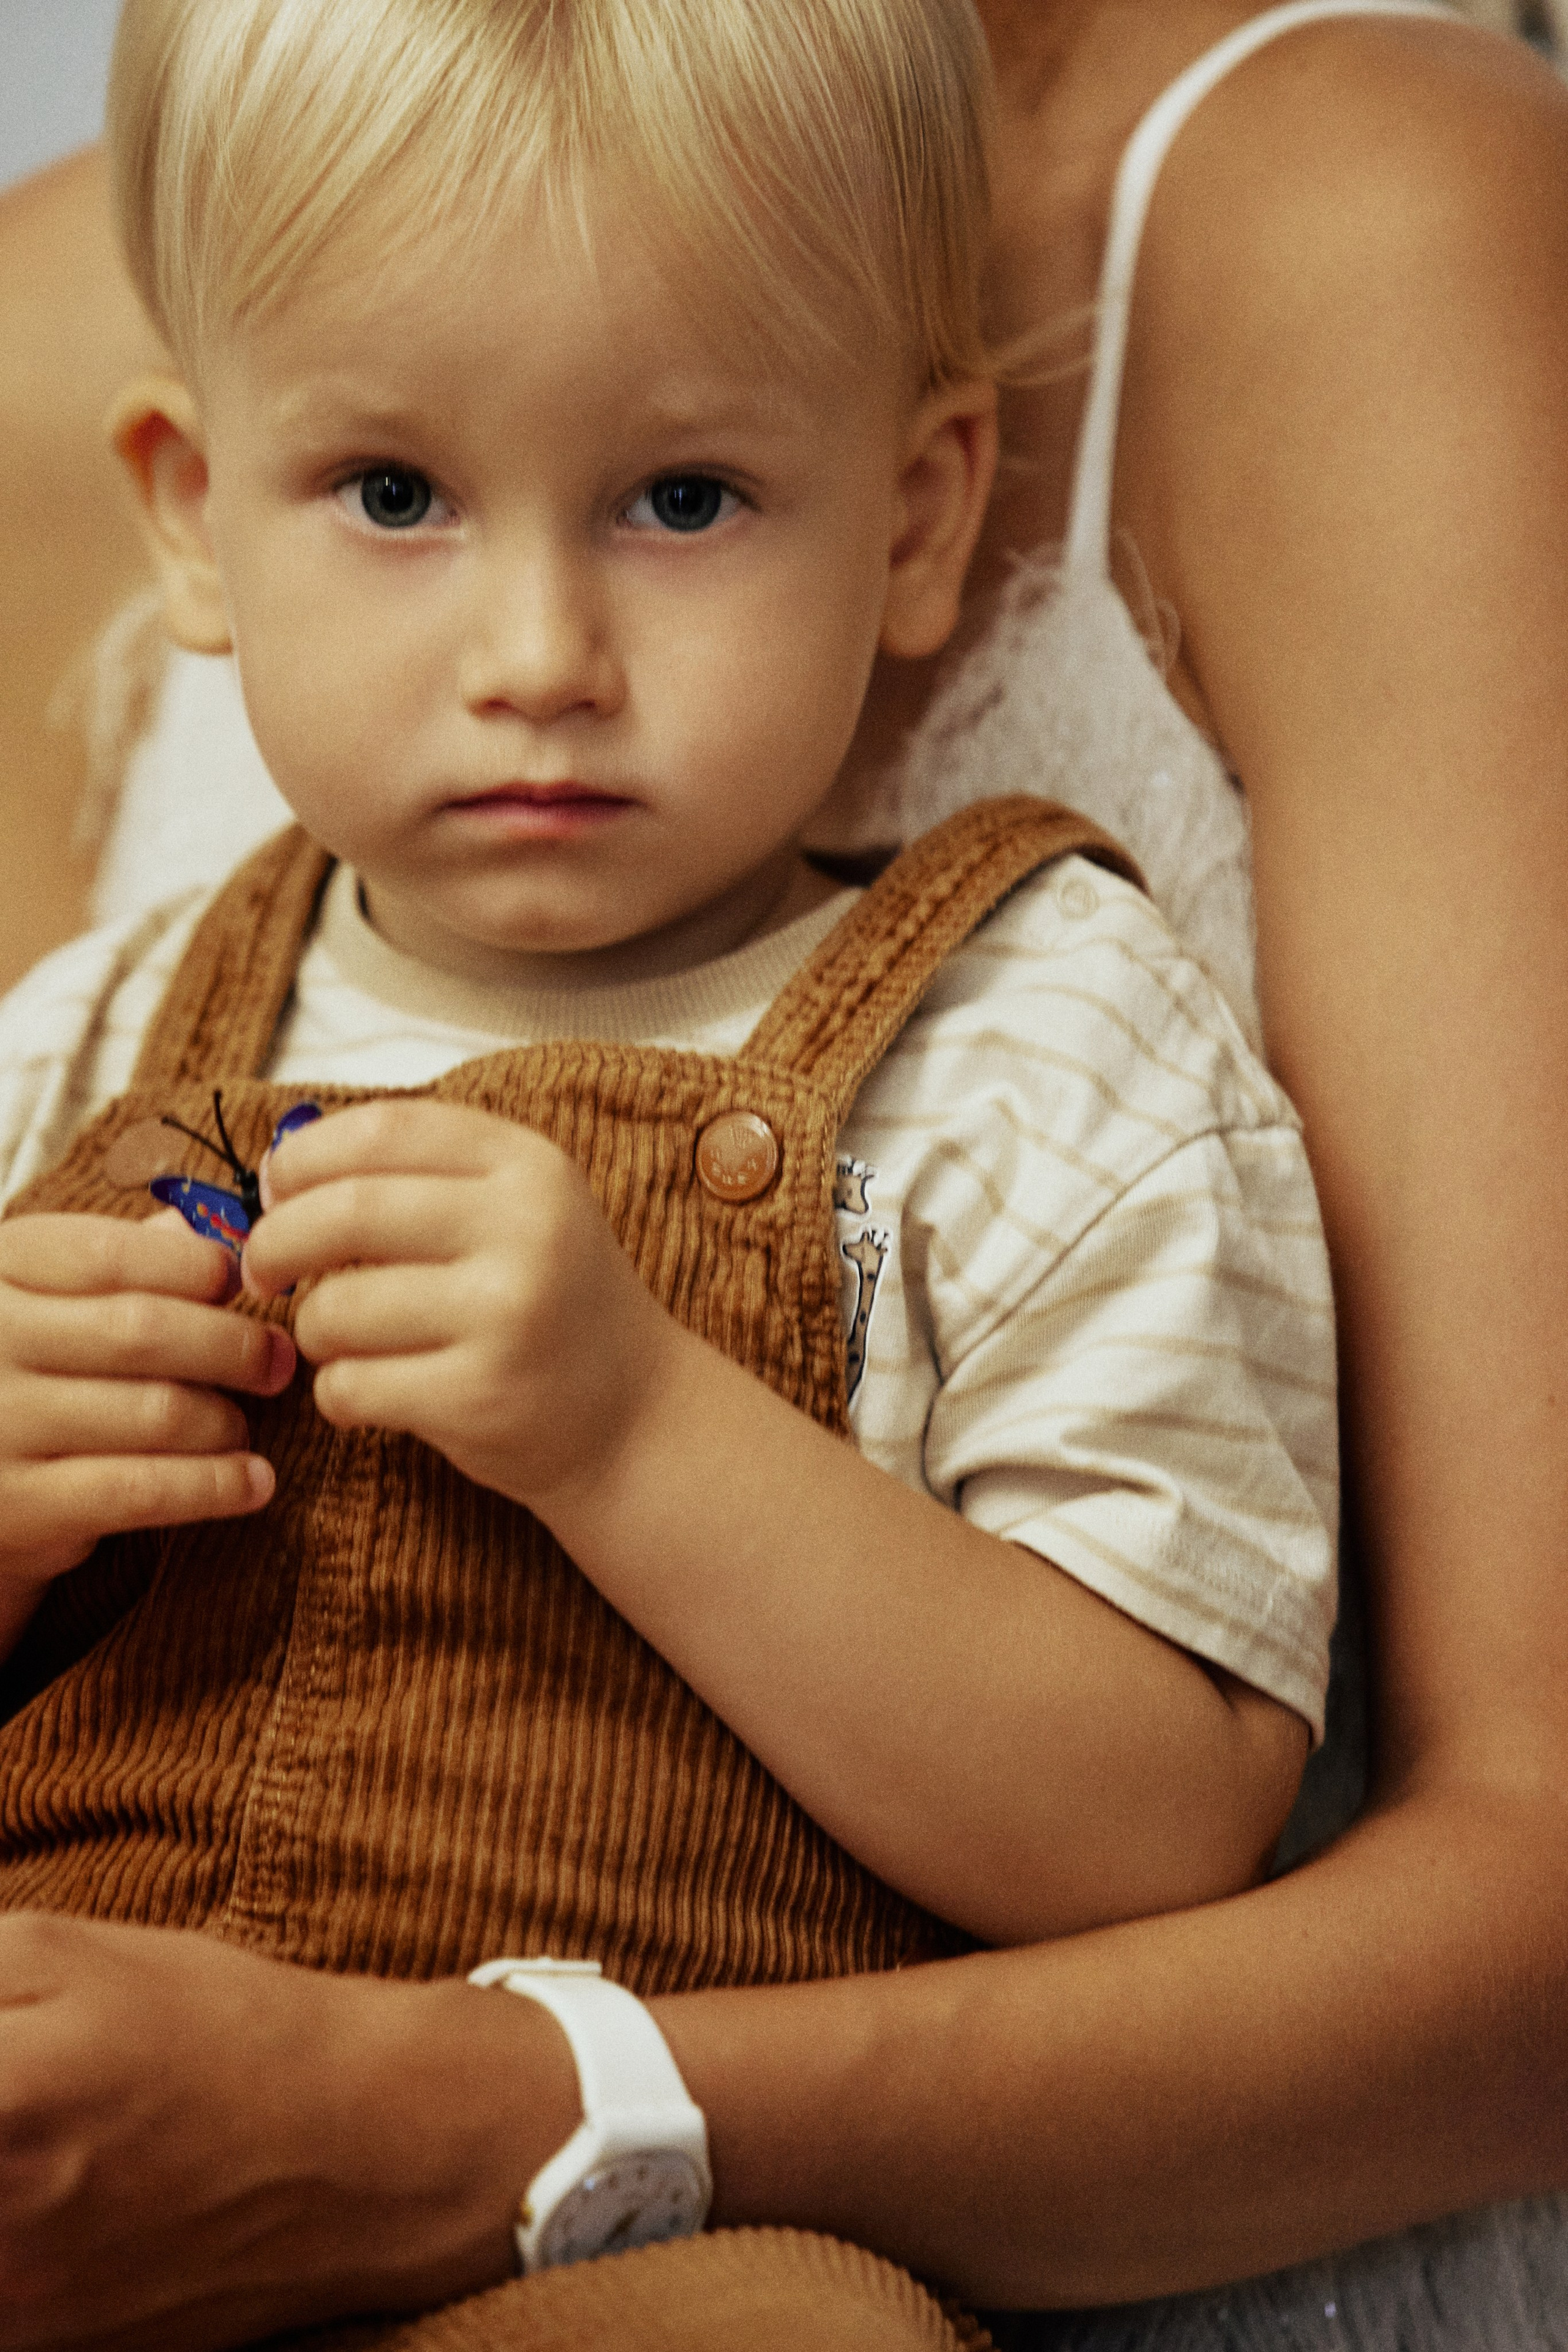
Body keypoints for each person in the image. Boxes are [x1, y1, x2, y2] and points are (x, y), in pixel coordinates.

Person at [0, 2, 1564, 2350]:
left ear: (925, 515)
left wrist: (638, 1430)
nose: (539, 658)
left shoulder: (1043, 1042)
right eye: (397, 500)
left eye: (684, 501)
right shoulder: (92, 1046)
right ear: (190, 517)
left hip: (635, 2237)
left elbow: (1153, 1836)